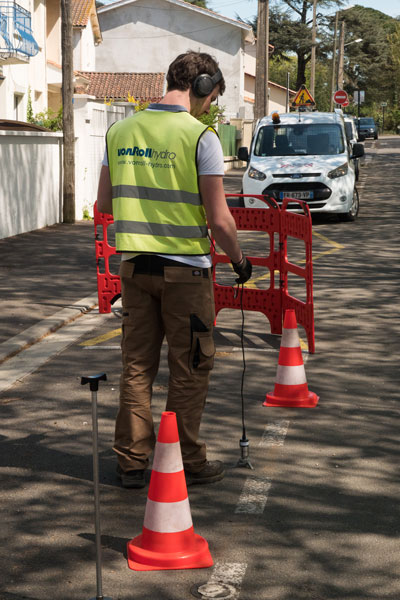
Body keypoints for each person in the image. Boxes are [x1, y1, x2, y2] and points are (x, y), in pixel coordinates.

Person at [97, 51, 252, 489]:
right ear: (202, 86)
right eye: (212, 96)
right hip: (186, 273)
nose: (210, 106)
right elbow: (220, 219)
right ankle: (186, 458)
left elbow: (106, 203)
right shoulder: (200, 137)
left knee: (137, 367)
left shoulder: (118, 130)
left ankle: (131, 462)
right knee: (190, 366)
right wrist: (240, 261)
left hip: (134, 269)